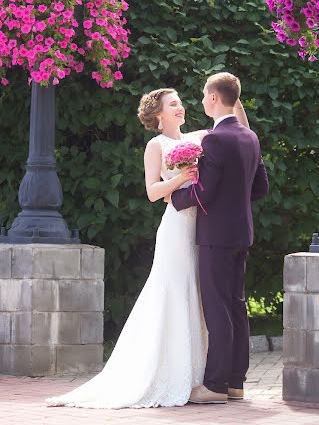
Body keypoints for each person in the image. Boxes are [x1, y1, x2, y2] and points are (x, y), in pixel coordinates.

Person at [45, 83, 254, 409]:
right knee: (173, 291)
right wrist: (181, 179)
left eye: (181, 103)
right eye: (173, 104)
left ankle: (200, 372)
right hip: (176, 225)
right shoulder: (156, 146)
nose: (180, 108)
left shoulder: (199, 139)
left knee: (202, 300)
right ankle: (169, 371)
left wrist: (232, 93)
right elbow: (153, 192)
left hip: (202, 225)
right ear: (158, 115)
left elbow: (233, 123)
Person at [169, 72, 269, 405]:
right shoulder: (250, 137)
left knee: (217, 309)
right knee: (236, 307)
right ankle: (235, 383)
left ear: (214, 97)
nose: (200, 101)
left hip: (216, 236)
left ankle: (213, 385)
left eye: (202, 96)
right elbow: (260, 188)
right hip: (242, 233)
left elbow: (205, 192)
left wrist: (175, 199)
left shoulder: (215, 139)